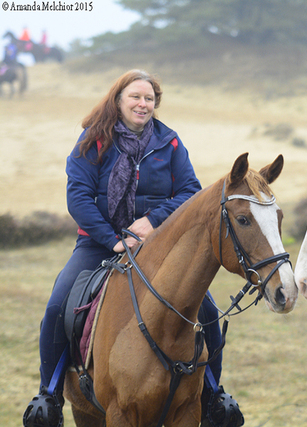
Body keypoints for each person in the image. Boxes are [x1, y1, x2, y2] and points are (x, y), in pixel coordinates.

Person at [22, 69, 242, 427]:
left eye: (149, 99)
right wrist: (113, 238)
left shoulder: (170, 142)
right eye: (135, 97)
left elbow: (190, 191)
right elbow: (78, 197)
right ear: (118, 101)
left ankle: (215, 395)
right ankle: (48, 396)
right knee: (56, 307)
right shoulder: (92, 141)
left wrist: (153, 221)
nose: (143, 104)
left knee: (208, 312)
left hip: (157, 246)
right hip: (98, 243)